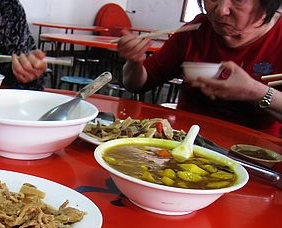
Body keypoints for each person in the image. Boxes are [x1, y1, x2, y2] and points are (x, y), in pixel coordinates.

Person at [117, 0, 282, 137]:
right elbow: (138, 84)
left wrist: (255, 91)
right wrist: (134, 62)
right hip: (184, 141)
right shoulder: (197, 29)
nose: (220, 10)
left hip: (253, 153)